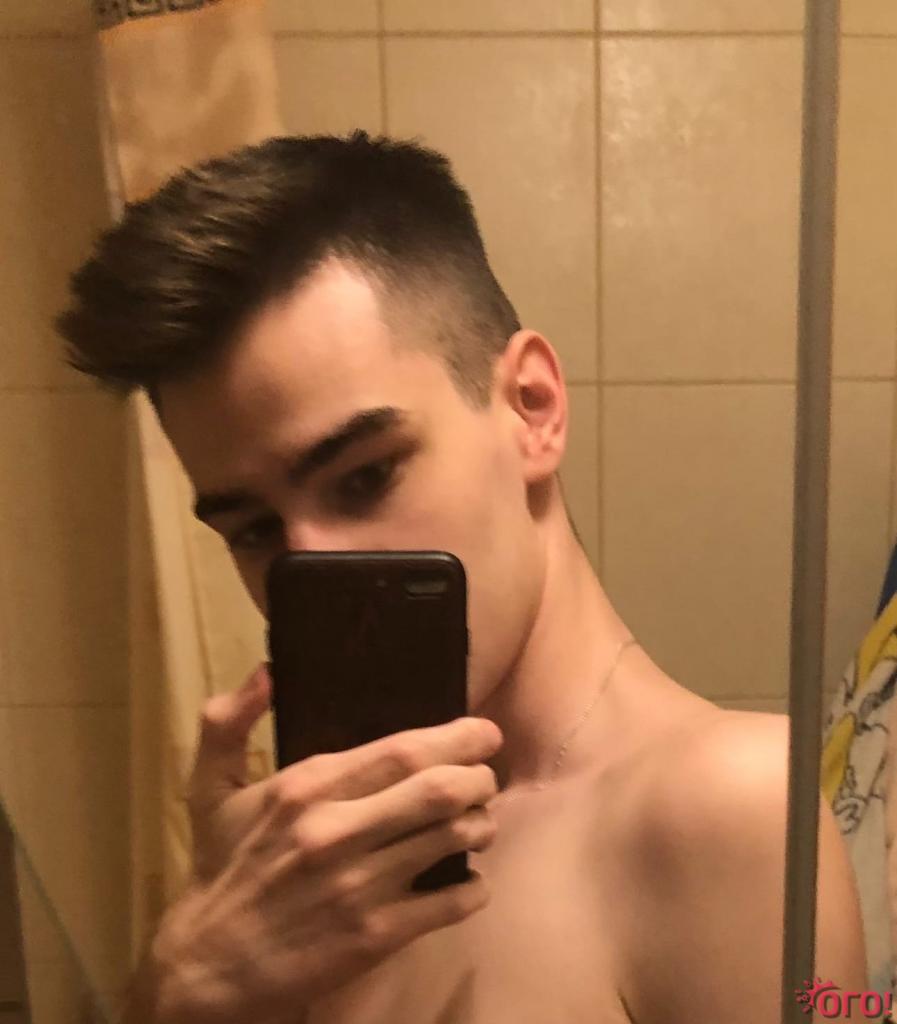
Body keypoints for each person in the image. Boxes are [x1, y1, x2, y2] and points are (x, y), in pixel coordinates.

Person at [57, 132, 866, 1023]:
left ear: (531, 408)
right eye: (253, 530)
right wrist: (185, 984)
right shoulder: (302, 862)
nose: (310, 566)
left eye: (365, 476)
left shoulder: (730, 811)